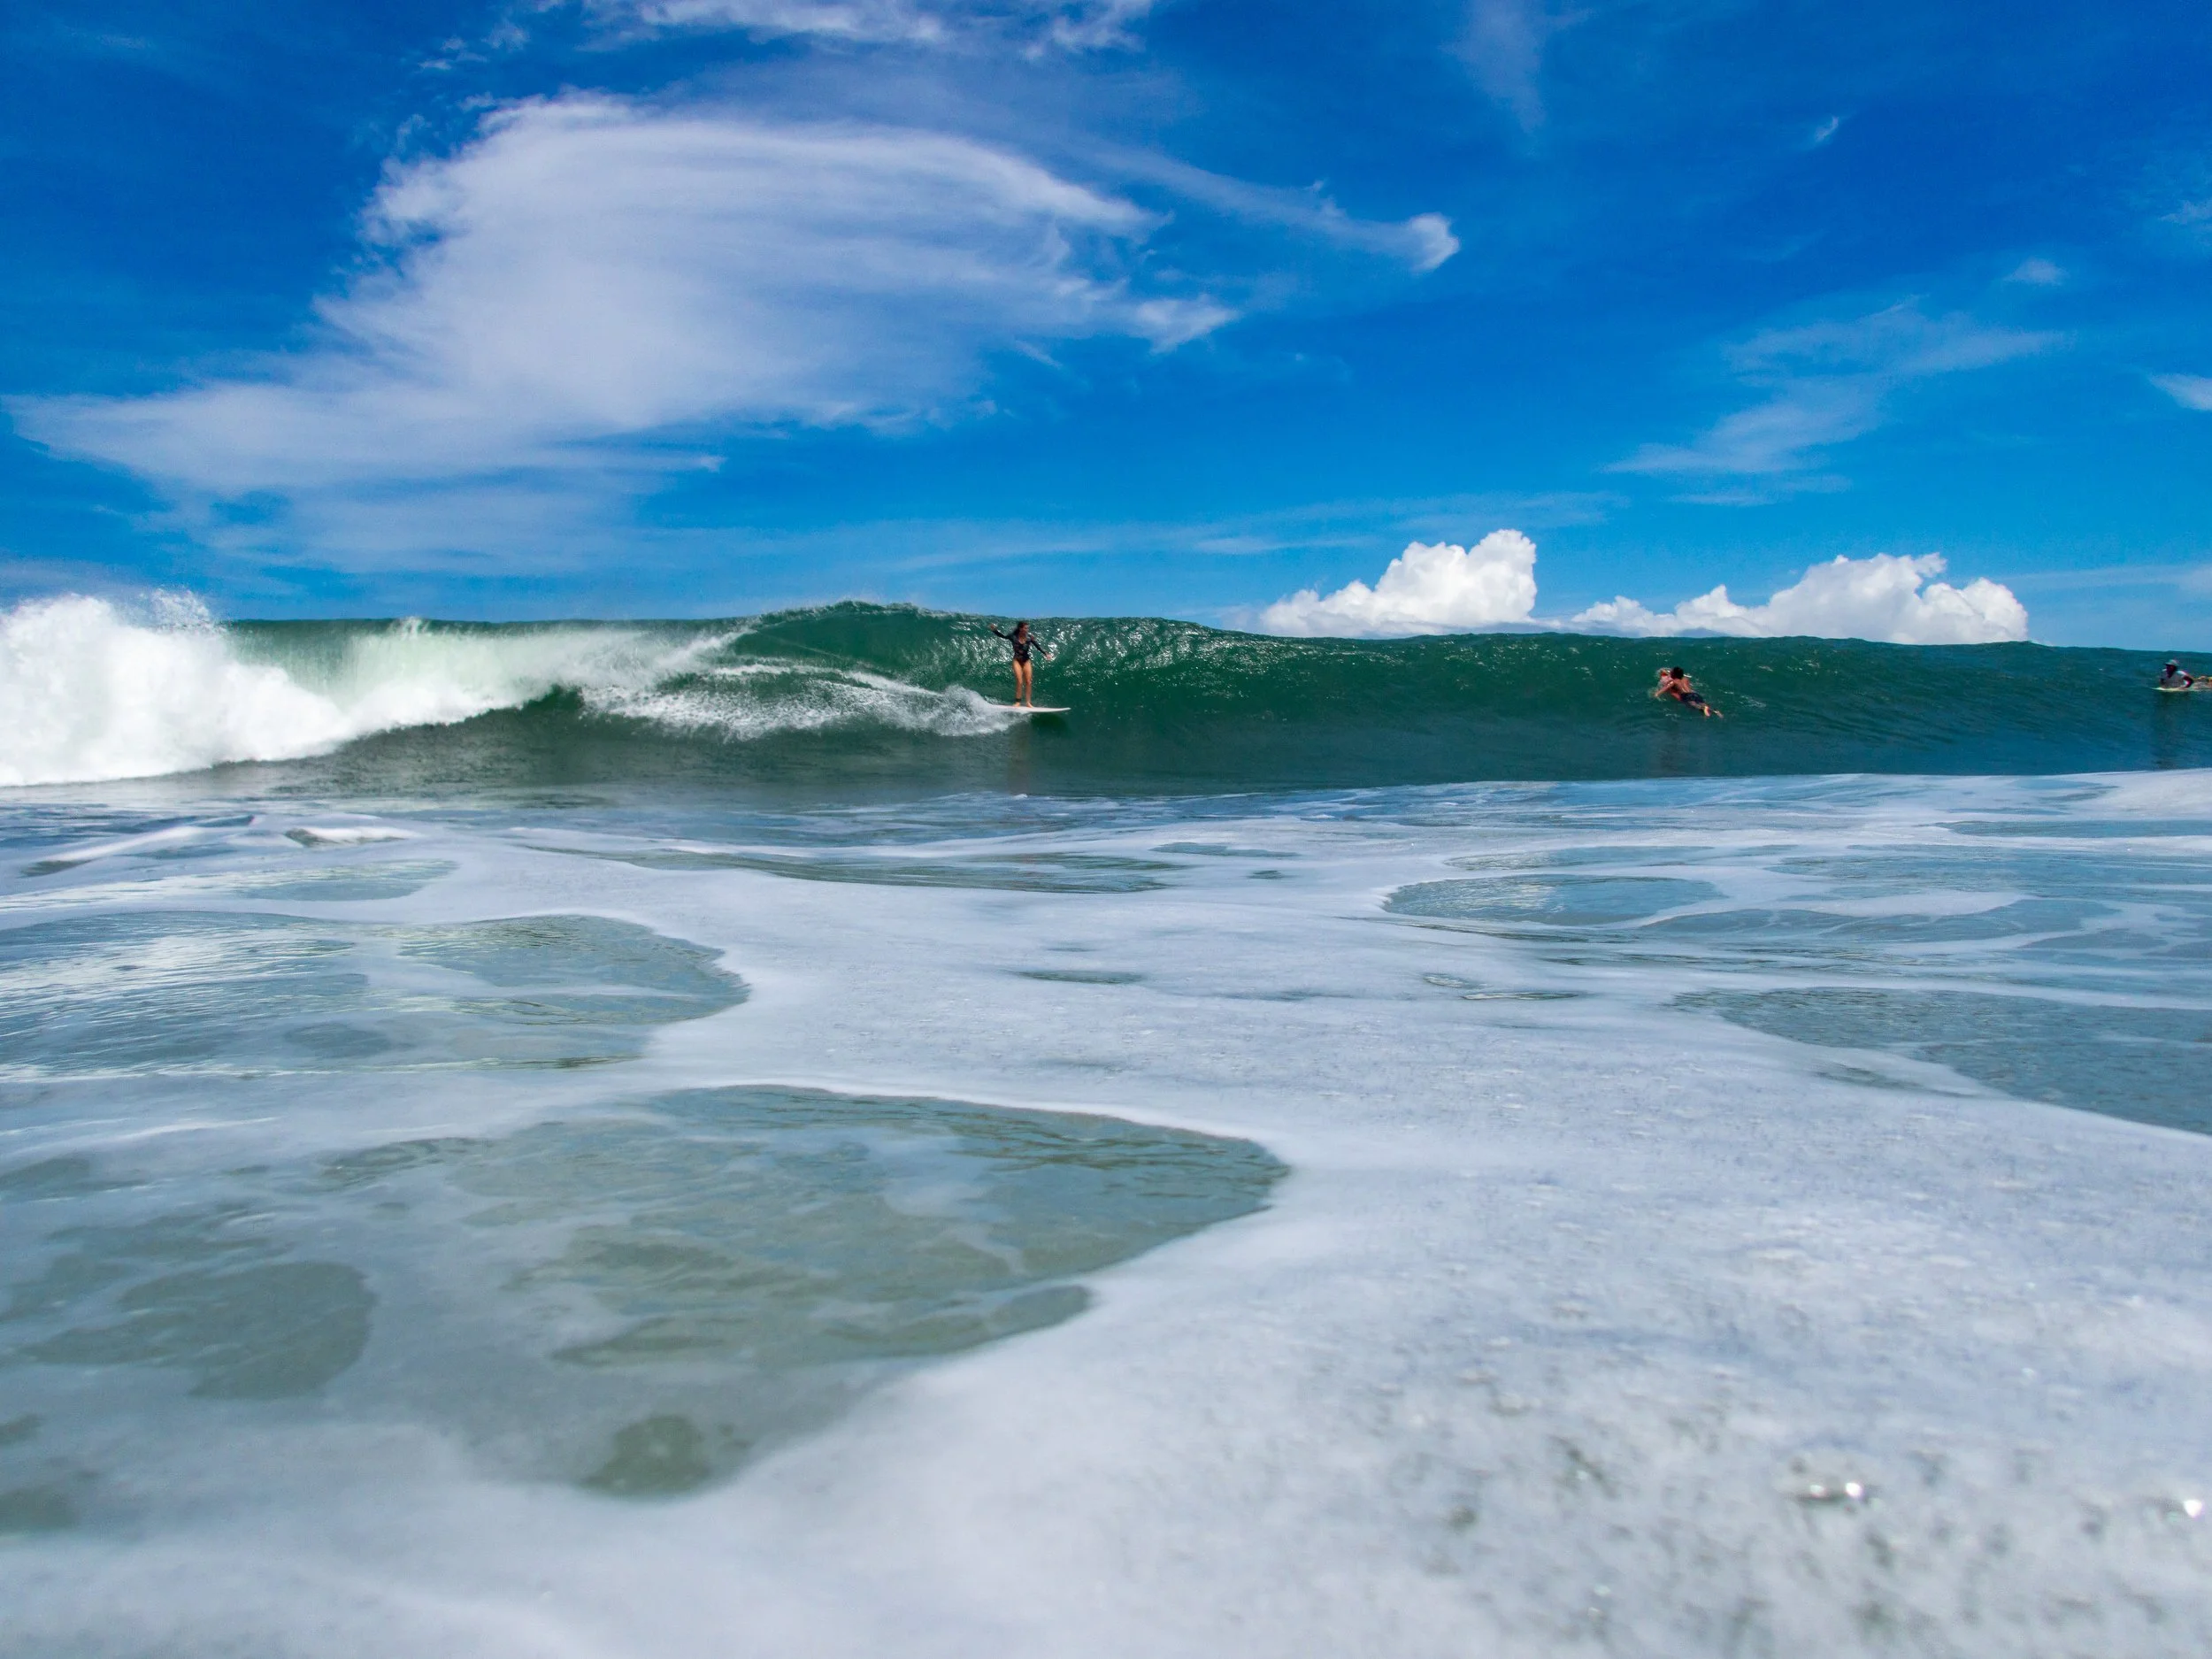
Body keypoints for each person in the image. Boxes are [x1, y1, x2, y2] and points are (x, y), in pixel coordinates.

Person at [989, 620, 1053, 708]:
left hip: (1026, 660)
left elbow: (1038, 646)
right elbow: (1003, 636)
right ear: (1021, 628)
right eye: (1026, 628)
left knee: (1028, 682)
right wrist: (995, 631)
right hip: (1017, 660)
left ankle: (1028, 703)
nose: (1027, 630)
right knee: (1019, 681)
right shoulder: (1013, 636)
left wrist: (1046, 653)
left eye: (1028, 628)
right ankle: (1018, 702)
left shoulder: (1030, 638)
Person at [1654, 665, 1720, 718]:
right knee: (1702, 702)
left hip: (1685, 696)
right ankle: (1715, 711)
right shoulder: (1686, 679)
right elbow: (1678, 677)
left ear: (1673, 674)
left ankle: (1703, 708)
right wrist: (1667, 672)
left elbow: (1664, 689)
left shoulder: (1673, 682)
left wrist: (1656, 694)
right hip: (1694, 694)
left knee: (1693, 705)